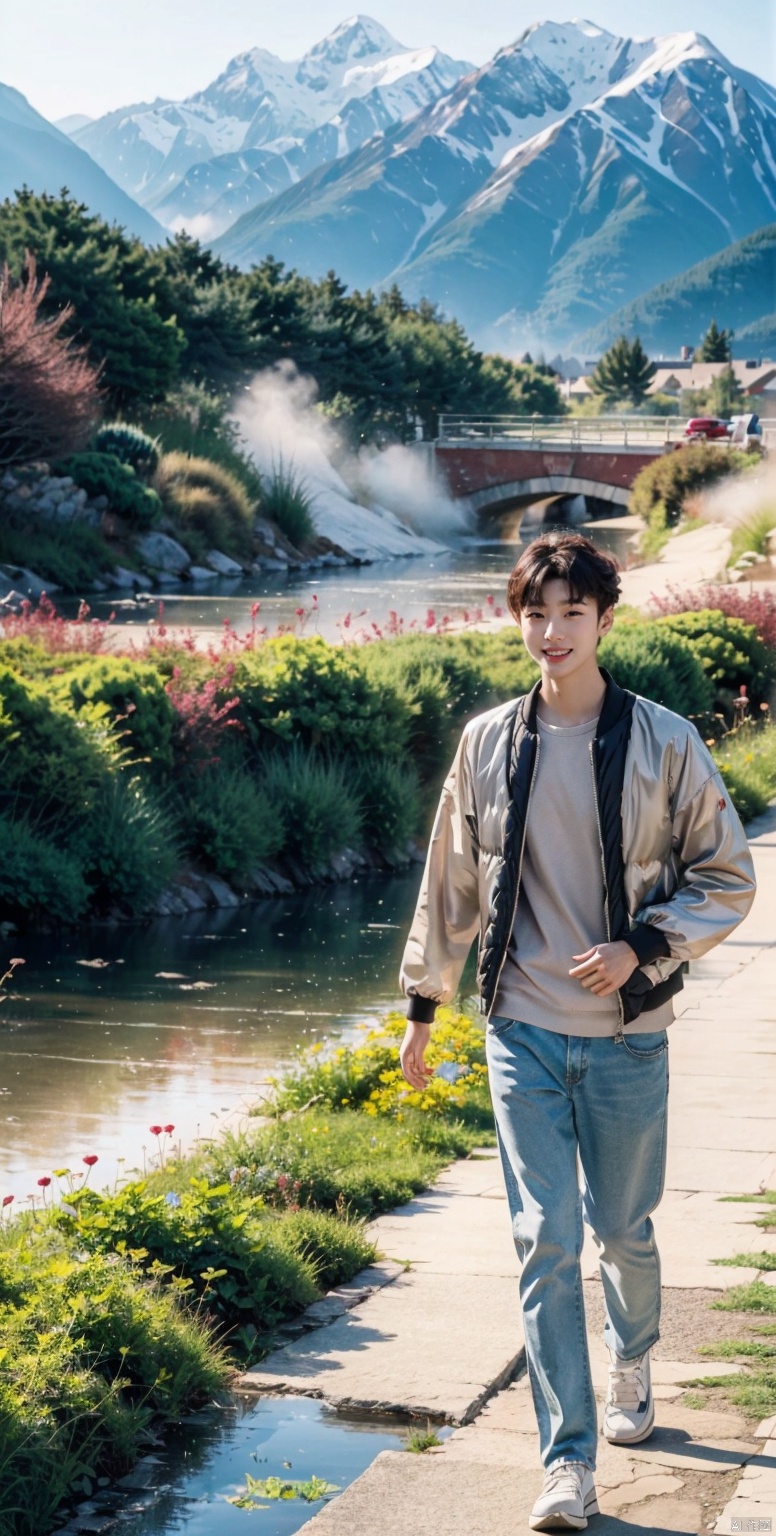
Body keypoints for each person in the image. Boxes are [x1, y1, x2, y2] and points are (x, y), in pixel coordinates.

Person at [398, 531, 756, 1532]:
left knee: (619, 1231)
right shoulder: (485, 742)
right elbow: (450, 886)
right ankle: (565, 1465)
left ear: (602, 620)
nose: (548, 633)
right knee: (542, 1242)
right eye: (533, 613)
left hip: (625, 1039)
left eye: (568, 614)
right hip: (517, 1031)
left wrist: (642, 945)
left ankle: (631, 1350)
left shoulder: (664, 740)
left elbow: (727, 875)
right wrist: (423, 1015)